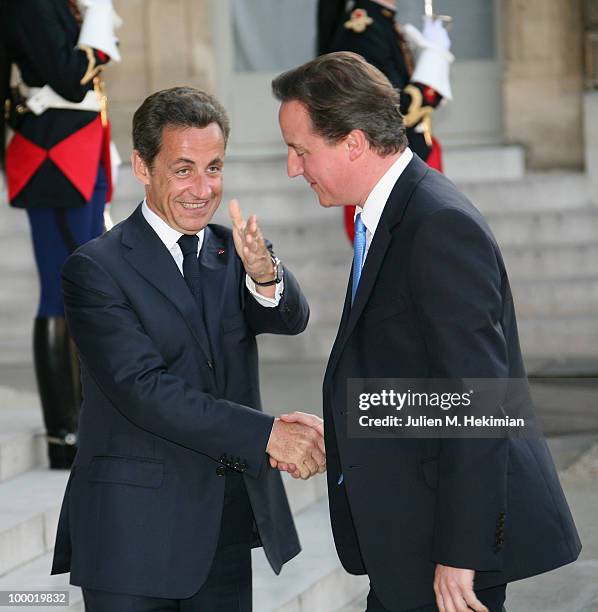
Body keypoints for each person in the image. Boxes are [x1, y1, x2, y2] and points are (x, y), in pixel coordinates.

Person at [271, 52, 581, 612]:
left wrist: (463, 552)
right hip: (410, 538)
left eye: (300, 150)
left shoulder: (437, 225)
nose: (293, 168)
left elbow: (481, 400)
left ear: (354, 143)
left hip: (444, 554)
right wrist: (348, 421)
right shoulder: (390, 214)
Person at [50, 86, 325, 612]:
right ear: (142, 166)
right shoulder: (95, 269)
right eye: (183, 169)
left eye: (214, 168)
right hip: (131, 537)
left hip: (222, 525)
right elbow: (144, 391)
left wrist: (266, 274)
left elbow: (291, 319)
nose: (203, 189)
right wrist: (267, 434)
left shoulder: (230, 251)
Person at [0, 0, 121, 468]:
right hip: (61, 152)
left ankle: (76, 425)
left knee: (75, 287)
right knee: (74, 286)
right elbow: (72, 76)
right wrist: (97, 25)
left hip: (61, 147)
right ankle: (68, 430)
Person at [317, 0, 453, 241]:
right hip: (385, 167)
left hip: (405, 157)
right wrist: (433, 64)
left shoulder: (381, 20)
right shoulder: (363, 29)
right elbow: (393, 109)